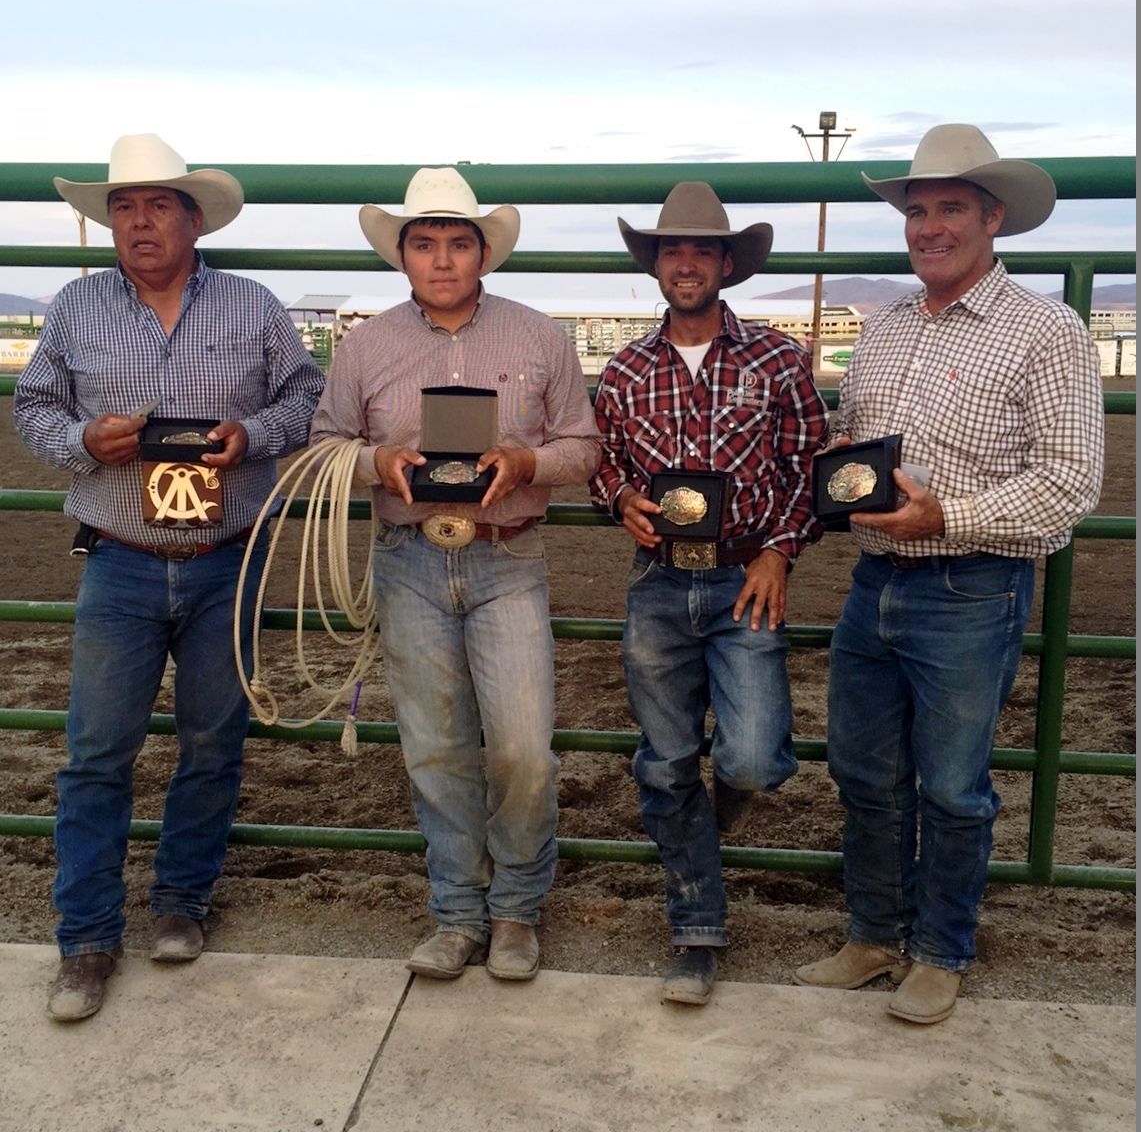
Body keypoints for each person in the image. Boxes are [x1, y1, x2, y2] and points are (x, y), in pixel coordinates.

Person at [793, 124, 1105, 1024]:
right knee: (863, 771)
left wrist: (946, 516)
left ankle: (939, 949)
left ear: (991, 218)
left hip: (971, 583)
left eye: (949, 209)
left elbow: (1070, 479)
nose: (928, 227)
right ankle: (874, 936)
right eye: (917, 210)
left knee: (952, 786)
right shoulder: (886, 328)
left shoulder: (1045, 331)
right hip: (877, 579)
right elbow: (853, 439)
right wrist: (834, 465)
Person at [13, 133, 325, 1022]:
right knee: (96, 754)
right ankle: (86, 938)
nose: (139, 223)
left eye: (157, 206)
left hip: (228, 559)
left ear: (194, 221)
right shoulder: (76, 308)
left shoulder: (252, 306)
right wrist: (84, 441)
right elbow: (35, 406)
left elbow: (303, 393)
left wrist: (252, 436)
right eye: (123, 207)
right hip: (119, 556)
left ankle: (181, 902)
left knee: (212, 744)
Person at [309, 167, 601, 983]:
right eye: (425, 244)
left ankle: (515, 909)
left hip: (507, 556)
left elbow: (583, 446)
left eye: (458, 243)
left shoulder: (539, 338)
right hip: (408, 558)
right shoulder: (365, 346)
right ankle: (459, 913)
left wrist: (527, 461)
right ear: (402, 255)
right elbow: (326, 440)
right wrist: (376, 461)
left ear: (483, 253)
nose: (441, 259)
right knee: (435, 747)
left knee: (522, 748)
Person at [590, 182, 828, 1005]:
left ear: (727, 264)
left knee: (753, 758)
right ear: (655, 265)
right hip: (658, 580)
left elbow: (808, 470)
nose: (685, 263)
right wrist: (621, 498)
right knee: (665, 764)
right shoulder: (625, 369)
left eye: (701, 250)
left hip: (743, 577)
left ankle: (704, 821)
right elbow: (603, 463)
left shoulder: (775, 360)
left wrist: (779, 553)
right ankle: (695, 929)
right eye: (671, 250)